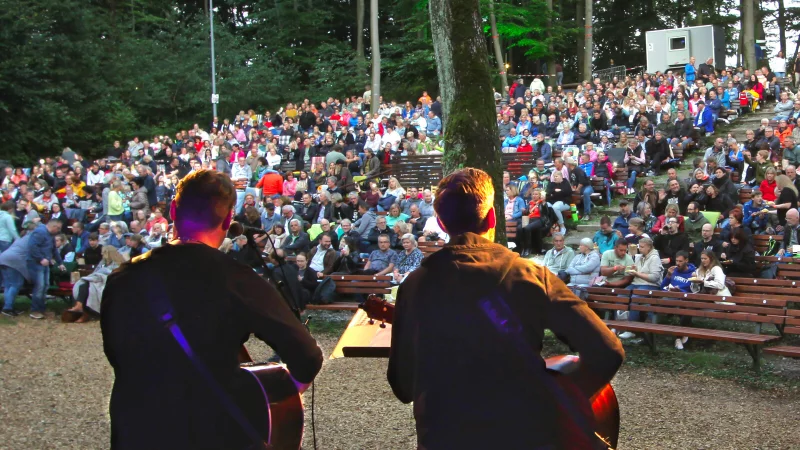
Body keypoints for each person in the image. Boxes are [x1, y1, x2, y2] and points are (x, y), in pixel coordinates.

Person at [387, 167, 624, 450]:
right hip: (524, 436)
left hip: (444, 437)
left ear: (441, 222)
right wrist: (555, 401)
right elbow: (608, 351)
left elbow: (402, 385)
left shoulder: (414, 286)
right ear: (491, 216)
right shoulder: (531, 276)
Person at [101, 170, 322, 449]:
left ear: (172, 210)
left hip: (136, 430)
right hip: (211, 432)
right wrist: (274, 395)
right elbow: (307, 357)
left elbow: (117, 353)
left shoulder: (123, 278)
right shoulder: (237, 278)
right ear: (229, 220)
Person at [62, 246, 127, 323]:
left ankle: (81, 308)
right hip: (97, 281)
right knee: (86, 285)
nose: (102, 254)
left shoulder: (119, 264)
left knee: (87, 286)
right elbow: (95, 272)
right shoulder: (103, 262)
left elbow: (116, 276)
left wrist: (102, 274)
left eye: (104, 252)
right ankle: (83, 310)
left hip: (108, 283)